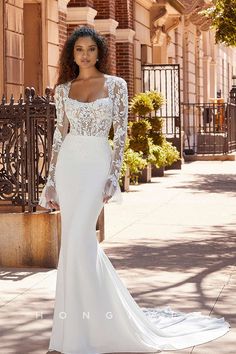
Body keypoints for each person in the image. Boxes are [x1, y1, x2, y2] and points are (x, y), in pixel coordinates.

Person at [39, 26, 229, 354]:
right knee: (73, 243)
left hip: (96, 161)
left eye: (90, 49)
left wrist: (114, 175)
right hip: (69, 164)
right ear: (72, 54)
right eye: (79, 50)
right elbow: (59, 135)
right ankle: (71, 333)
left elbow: (121, 133)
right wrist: (51, 180)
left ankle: (94, 328)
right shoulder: (63, 89)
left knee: (81, 238)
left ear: (100, 53)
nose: (84, 55)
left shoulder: (116, 85)